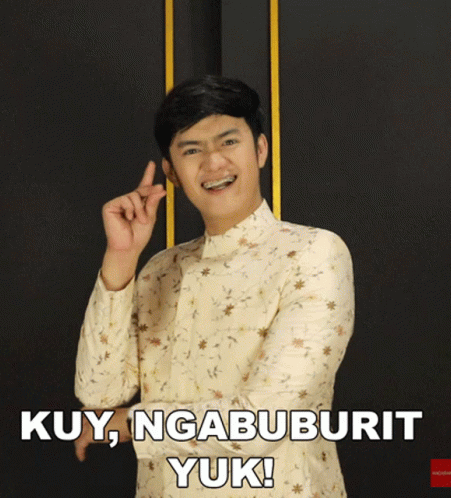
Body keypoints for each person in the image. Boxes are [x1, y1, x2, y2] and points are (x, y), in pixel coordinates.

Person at [74, 75, 354, 497]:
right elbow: (98, 393)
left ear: (260, 149)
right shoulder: (159, 270)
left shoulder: (312, 254)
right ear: (171, 172)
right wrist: (121, 258)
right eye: (192, 150)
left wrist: (131, 424)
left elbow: (262, 424)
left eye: (228, 142)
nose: (214, 163)